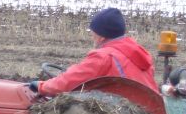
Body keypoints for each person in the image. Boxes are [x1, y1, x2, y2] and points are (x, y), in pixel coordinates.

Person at [27, 7, 156, 96]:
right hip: (143, 110)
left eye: (93, 32)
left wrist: (41, 86)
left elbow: (68, 82)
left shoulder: (104, 57)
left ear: (102, 35)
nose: (92, 35)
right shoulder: (135, 52)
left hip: (123, 112)